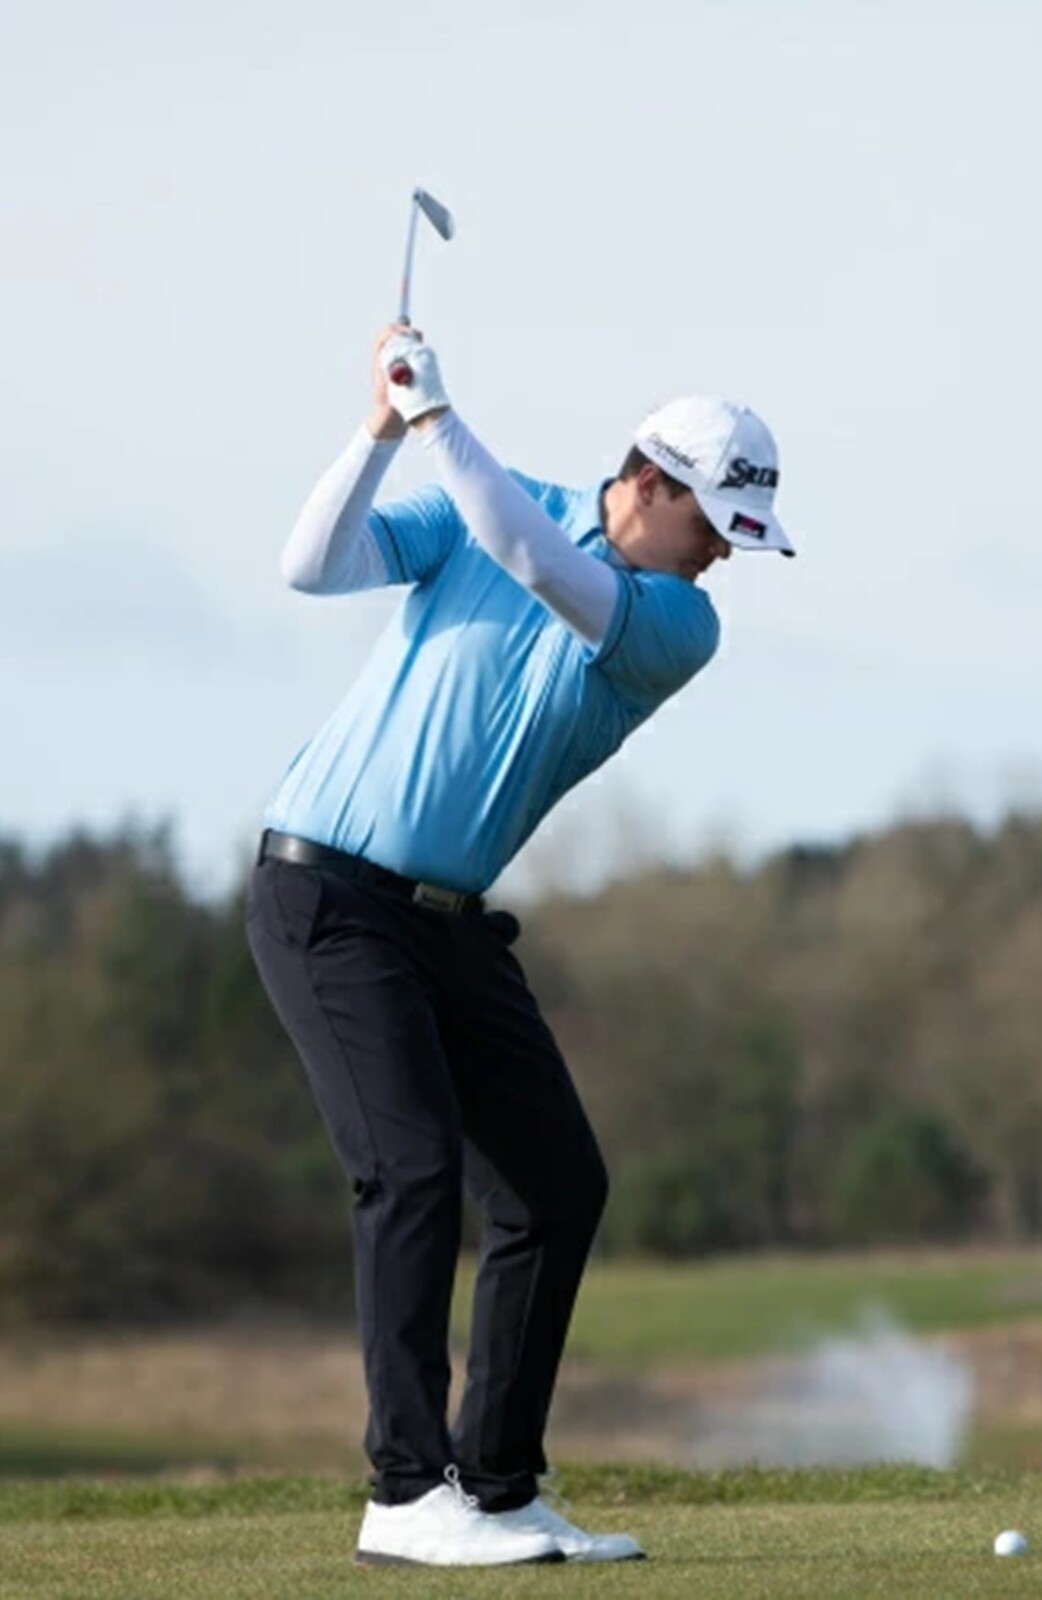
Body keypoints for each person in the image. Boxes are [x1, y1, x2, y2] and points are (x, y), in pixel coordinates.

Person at [245, 323, 793, 1567]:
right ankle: (405, 1493)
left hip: (447, 925)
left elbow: (535, 561)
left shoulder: (675, 622)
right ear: (647, 481)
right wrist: (380, 430)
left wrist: (439, 421)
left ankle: (495, 1486)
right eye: (713, 524)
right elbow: (309, 565)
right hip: (325, 897)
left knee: (556, 1184)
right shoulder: (493, 504)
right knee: (410, 1170)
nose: (721, 554)